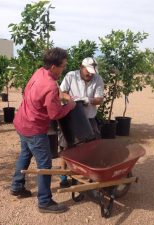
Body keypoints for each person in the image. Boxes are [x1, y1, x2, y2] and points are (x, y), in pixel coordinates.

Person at [10, 47, 76, 214]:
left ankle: (17, 186)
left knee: (25, 154)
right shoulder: (51, 86)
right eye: (63, 66)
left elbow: (36, 93)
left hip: (21, 122)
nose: (64, 69)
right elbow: (54, 114)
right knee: (45, 164)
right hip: (34, 129)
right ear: (54, 66)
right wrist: (70, 105)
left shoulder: (39, 72)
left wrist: (61, 96)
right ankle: (45, 201)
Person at [59, 57, 104, 188]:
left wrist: (88, 100)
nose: (90, 74)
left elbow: (99, 99)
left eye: (92, 72)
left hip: (89, 117)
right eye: (87, 71)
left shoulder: (98, 79)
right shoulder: (71, 76)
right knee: (66, 145)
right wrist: (71, 99)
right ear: (81, 67)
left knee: (93, 144)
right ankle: (63, 176)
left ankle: (87, 172)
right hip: (71, 116)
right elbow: (61, 92)